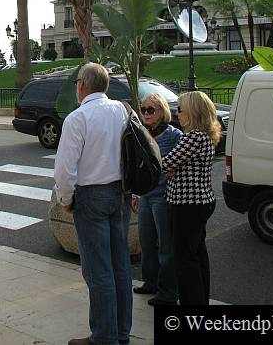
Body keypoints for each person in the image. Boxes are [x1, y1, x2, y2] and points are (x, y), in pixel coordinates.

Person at [53, 63, 132, 345]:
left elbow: (64, 169)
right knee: (120, 266)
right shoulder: (122, 111)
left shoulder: (78, 117)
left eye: (77, 83)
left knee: (98, 270)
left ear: (83, 85)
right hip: (119, 192)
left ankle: (103, 337)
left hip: (92, 196)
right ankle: (121, 333)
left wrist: (66, 199)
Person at [163, 91, 220, 306]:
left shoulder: (193, 137)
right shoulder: (205, 136)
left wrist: (170, 169)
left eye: (180, 109)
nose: (177, 114)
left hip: (187, 204)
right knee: (197, 256)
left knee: (185, 261)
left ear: (193, 112)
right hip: (200, 201)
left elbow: (165, 164)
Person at [134, 92, 181, 306]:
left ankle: (168, 292)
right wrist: (135, 192)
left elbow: (176, 166)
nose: (145, 114)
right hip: (145, 195)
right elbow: (139, 167)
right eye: (143, 109)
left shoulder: (173, 136)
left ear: (162, 111)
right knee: (147, 242)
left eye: (150, 110)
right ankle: (150, 282)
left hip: (163, 196)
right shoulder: (142, 133)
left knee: (165, 246)